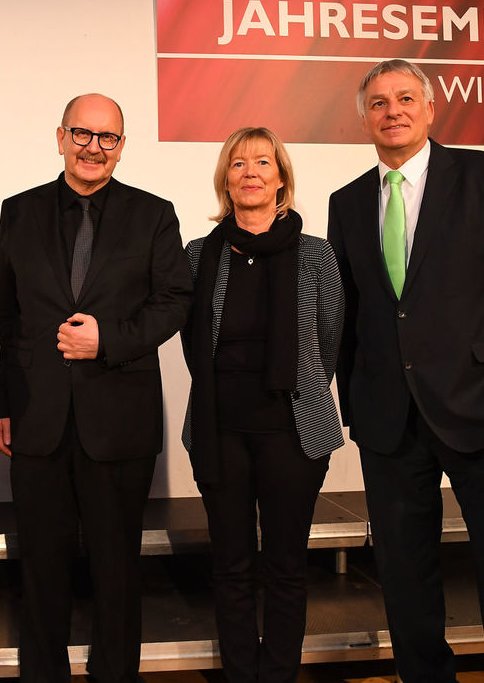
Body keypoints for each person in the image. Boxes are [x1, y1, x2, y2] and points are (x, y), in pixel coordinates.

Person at [327, 59, 484, 682]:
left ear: (431, 109)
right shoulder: (348, 202)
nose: (393, 111)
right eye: (378, 103)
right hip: (389, 421)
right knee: (406, 581)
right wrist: (355, 405)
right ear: (364, 118)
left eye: (406, 98)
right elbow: (350, 313)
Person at [0, 93, 191, 683]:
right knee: (41, 570)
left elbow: (174, 301)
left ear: (122, 147)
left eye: (108, 138)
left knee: (117, 571)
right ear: (59, 137)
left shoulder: (154, 214)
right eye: (82, 134)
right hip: (35, 416)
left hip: (118, 419)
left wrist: (110, 339)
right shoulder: (17, 211)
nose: (93, 147)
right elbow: (2, 312)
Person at [181, 127, 344, 682]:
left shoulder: (317, 255)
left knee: (285, 566)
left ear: (281, 177)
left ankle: (276, 674)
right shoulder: (199, 254)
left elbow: (328, 341)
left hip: (292, 435)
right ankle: (239, 673)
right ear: (226, 179)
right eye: (238, 163)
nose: (250, 171)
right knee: (229, 566)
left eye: (262, 162)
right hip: (219, 430)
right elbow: (189, 341)